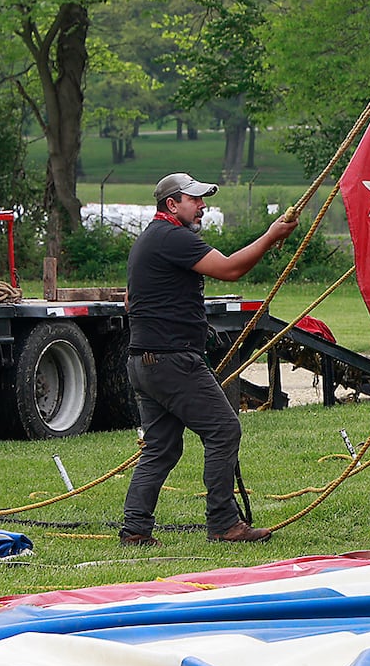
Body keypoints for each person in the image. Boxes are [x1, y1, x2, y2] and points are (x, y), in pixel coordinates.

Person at [118, 172, 298, 546]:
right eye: (195, 200)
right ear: (172, 204)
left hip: (144, 361)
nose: (202, 206)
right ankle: (223, 523)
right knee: (224, 429)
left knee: (162, 447)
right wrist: (270, 237)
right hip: (172, 362)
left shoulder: (149, 240)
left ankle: (135, 529)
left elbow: (131, 302)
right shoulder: (173, 237)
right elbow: (230, 269)